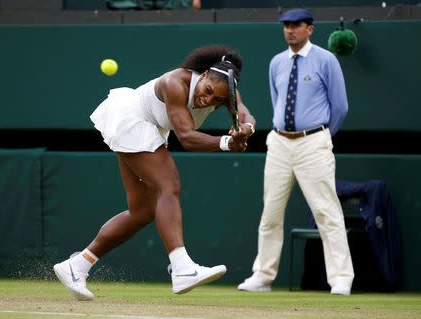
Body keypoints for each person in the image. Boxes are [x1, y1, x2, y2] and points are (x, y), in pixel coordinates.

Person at [53, 44, 256, 301]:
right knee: (168, 185)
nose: (209, 100)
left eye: (218, 100)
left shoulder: (224, 90)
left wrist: (247, 128)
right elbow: (186, 138)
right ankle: (182, 268)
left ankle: (77, 266)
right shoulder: (174, 82)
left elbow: (244, 112)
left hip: (148, 128)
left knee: (142, 212)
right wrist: (227, 143)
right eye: (208, 92)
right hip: (132, 120)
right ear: (203, 75)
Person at [237, 8, 354, 295]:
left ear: (310, 29)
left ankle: (340, 278)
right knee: (271, 213)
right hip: (278, 143)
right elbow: (277, 101)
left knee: (327, 211)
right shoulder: (276, 62)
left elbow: (340, 106)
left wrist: (321, 136)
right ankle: (262, 276)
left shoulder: (326, 60)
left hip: (313, 142)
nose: (290, 30)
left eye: (296, 25)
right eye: (286, 26)